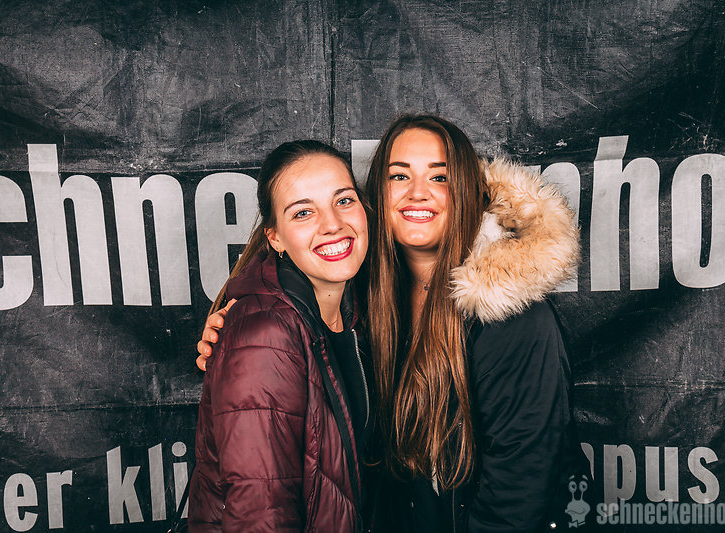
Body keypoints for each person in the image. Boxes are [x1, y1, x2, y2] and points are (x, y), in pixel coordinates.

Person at [197, 115, 592, 532]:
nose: (417, 193)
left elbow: (516, 501)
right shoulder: (362, 298)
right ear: (378, 196)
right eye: (399, 176)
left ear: (466, 193)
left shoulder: (514, 318)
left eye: (439, 177)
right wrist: (243, 335)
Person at [188, 140, 371, 532]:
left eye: (343, 200)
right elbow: (261, 516)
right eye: (303, 212)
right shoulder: (265, 334)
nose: (332, 224)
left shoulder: (359, 311)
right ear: (275, 238)